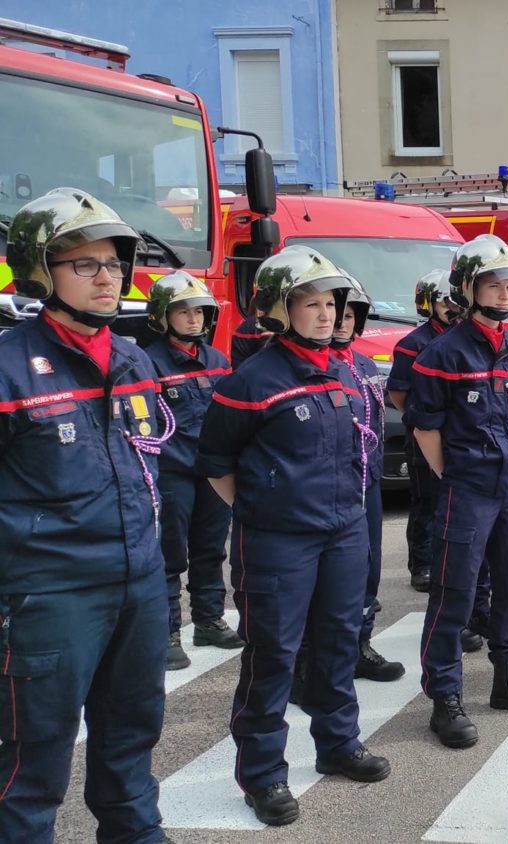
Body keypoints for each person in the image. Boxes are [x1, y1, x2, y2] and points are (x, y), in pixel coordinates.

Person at [197, 245, 391, 825]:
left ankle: (338, 743)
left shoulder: (343, 370)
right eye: (311, 303)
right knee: (274, 654)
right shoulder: (250, 381)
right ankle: (263, 774)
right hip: (278, 540)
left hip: (343, 530)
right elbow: (216, 463)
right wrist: (263, 508)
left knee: (338, 640)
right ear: (280, 310)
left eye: (331, 303)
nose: (327, 314)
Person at [0, 188, 170, 841]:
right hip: (50, 593)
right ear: (41, 272)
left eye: (115, 263)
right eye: (85, 264)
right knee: (32, 759)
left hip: (139, 582)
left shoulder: (132, 358)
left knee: (131, 738)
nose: (108, 278)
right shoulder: (9, 367)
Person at [408, 235, 508, 747]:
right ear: (467, 288)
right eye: (492, 284)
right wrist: (454, 475)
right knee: (454, 593)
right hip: (469, 488)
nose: (503, 294)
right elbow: (425, 426)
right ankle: (445, 697)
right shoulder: (442, 352)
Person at [144, 272, 241, 672]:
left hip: (211, 472)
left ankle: (208, 620)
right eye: (183, 311)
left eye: (199, 311)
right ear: (162, 316)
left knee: (210, 548)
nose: (193, 318)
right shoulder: (148, 362)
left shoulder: (217, 361)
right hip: (172, 472)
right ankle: (167, 632)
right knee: (170, 554)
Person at [329, 280, 405, 682]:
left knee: (369, 567)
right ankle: (319, 657)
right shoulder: (316, 365)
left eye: (348, 316)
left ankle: (361, 644)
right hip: (333, 486)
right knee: (332, 575)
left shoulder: (365, 365)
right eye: (335, 314)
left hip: (369, 479)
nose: (340, 323)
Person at [388, 269, 462, 593]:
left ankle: (450, 561)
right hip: (425, 432)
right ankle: (423, 564)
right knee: (427, 501)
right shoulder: (412, 344)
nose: (452, 309)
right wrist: (420, 420)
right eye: (445, 302)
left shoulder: (464, 339)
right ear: (429, 303)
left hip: (459, 432)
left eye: (455, 302)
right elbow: (398, 393)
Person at [230, 304, 273, 369]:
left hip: (239, 365)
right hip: (245, 367)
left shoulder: (253, 321)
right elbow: (266, 359)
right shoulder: (265, 327)